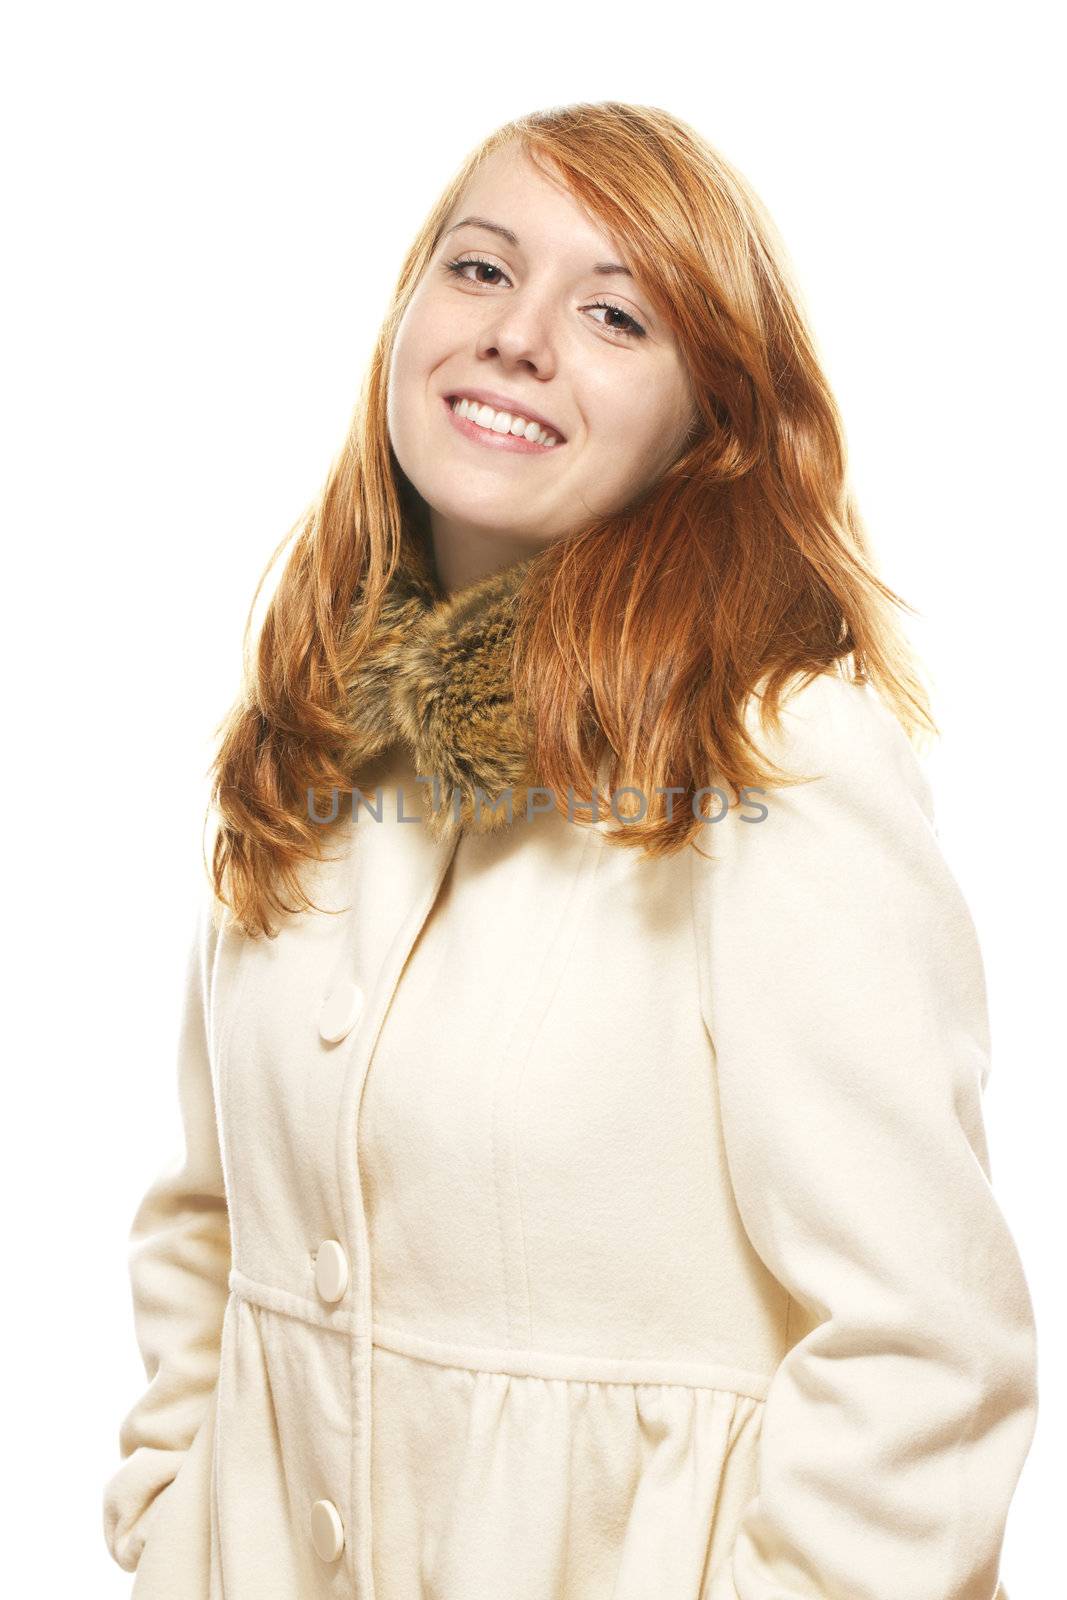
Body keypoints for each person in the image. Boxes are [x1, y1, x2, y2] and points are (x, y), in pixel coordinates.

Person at [102, 101, 1038, 1600]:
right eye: (479, 271)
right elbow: (210, 1221)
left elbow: (925, 1348)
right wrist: (171, 1519)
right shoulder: (323, 725)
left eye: (614, 313)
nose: (518, 336)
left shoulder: (776, 752)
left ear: (711, 426)